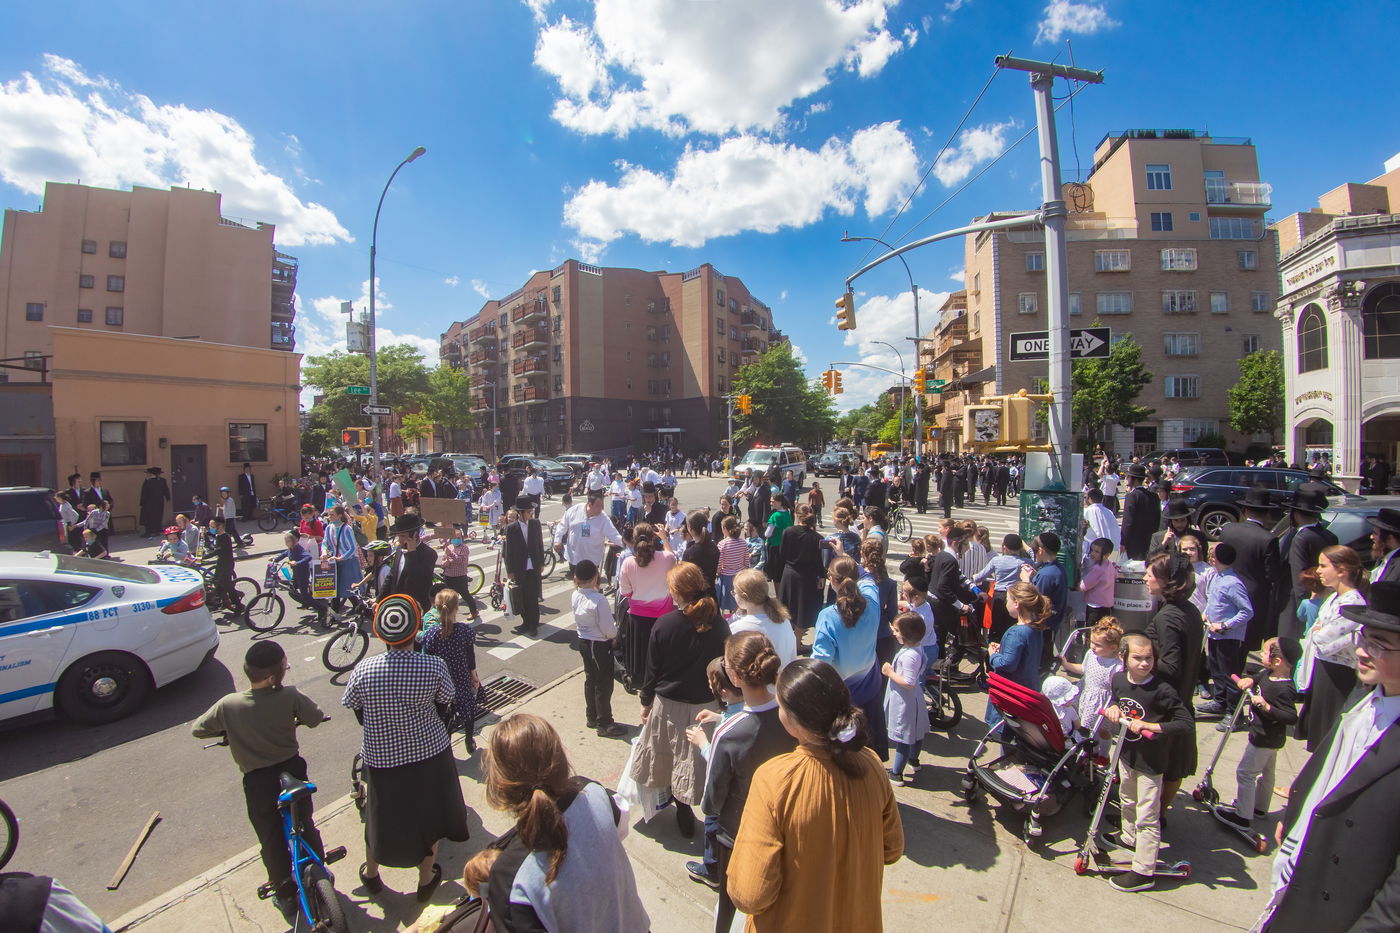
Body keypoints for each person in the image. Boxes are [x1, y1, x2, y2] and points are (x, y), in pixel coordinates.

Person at [1258, 581, 1400, 932]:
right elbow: (1331, 768)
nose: (1363, 652)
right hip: (1302, 875)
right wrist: (1297, 816)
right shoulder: (1362, 695)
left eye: (1380, 644)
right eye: (1364, 637)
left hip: (1343, 910)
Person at [727, 658, 903, 931]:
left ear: (794, 719)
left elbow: (749, 893)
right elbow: (892, 849)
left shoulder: (773, 779)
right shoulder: (871, 763)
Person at [460, 713, 649, 930]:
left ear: (499, 784)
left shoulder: (508, 878)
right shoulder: (593, 792)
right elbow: (618, 828)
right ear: (559, 759)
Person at [191, 641, 328, 922]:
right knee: (305, 821)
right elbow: (314, 718)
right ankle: (320, 869)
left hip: (258, 781)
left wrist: (230, 730)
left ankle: (285, 893)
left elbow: (199, 730)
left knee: (270, 838)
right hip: (292, 770)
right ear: (275, 675)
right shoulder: (290, 695)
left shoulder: (229, 705)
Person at [343, 598, 469, 901]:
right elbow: (444, 704)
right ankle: (426, 878)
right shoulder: (433, 666)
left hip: (381, 756)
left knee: (378, 815)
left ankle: (372, 874)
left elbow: (356, 709)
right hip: (429, 753)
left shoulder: (364, 669)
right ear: (416, 631)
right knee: (431, 815)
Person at [695, 631, 796, 930]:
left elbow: (711, 802)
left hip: (738, 833)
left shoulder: (731, 733)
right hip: (784, 824)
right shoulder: (789, 714)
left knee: (730, 903)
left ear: (735, 677)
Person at [631, 562, 730, 839]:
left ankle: (680, 808)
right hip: (704, 705)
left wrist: (645, 700)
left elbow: (652, 670)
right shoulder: (719, 624)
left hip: (670, 704)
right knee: (691, 762)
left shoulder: (665, 624)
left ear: (677, 592)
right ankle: (685, 808)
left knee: (667, 756)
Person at [1102, 633, 1194, 892]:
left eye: (1149, 658)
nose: (1144, 664)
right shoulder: (1119, 679)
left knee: (1148, 816)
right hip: (1127, 755)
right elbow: (1118, 702)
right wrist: (1114, 710)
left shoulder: (1162, 690)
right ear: (1123, 658)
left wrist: (1150, 725)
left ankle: (1144, 871)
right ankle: (1128, 838)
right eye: (1138, 658)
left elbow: (1185, 722)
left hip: (1151, 762)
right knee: (1127, 800)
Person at [1143, 550, 1205, 805]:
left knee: (1158, 768)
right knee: (1174, 767)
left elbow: (1171, 665)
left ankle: (1153, 817)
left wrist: (1138, 662)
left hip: (1165, 704)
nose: (1145, 578)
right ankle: (1162, 814)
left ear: (1166, 580)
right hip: (1183, 697)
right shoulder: (1189, 609)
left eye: (1150, 574)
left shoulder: (1168, 617)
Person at [812, 556, 886, 760]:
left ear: (832, 581)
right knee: (870, 752)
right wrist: (846, 556)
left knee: (846, 754)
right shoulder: (872, 601)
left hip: (842, 696)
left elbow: (821, 661)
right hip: (870, 686)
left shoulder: (828, 616)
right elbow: (868, 577)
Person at [1221, 638, 1299, 831]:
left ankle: (1242, 816)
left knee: (1245, 773)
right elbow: (1260, 677)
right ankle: (1259, 807)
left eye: (1264, 653)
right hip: (1267, 737)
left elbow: (1291, 717)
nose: (1261, 656)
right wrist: (1251, 679)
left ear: (1278, 660)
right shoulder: (1269, 673)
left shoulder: (1285, 688)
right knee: (1267, 773)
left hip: (1264, 738)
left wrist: (1267, 706)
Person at [1296, 545, 1368, 749]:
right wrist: (1318, 631)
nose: (1318, 571)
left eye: (1323, 565)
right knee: (1318, 733)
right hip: (1323, 669)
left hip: (1338, 676)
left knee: (1328, 736)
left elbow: (1322, 641)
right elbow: (1315, 633)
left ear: (1341, 570)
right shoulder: (1333, 598)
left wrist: (1318, 631)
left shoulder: (1353, 603)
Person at [1196, 541, 1254, 725]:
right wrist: (1206, 614)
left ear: (1217, 559)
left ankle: (1234, 713)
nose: (1210, 557)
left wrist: (1225, 625)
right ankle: (1220, 702)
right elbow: (1213, 600)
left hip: (1227, 636)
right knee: (1216, 670)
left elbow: (1247, 611)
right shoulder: (1216, 577)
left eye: (1213, 555)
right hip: (1213, 634)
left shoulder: (1232, 583)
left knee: (1230, 674)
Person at [1274, 486, 1337, 652]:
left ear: (1296, 514)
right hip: (1323, 595)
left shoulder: (1301, 538)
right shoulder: (1329, 535)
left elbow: (1298, 573)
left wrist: (1302, 604)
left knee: (1290, 643)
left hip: (1297, 599)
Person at [617, 523, 677, 688]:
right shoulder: (667, 558)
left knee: (642, 657)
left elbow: (626, 593)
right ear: (653, 538)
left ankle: (644, 685)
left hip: (638, 620)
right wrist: (664, 538)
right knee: (662, 657)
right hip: (664, 618)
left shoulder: (628, 563)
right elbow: (672, 558)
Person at [571, 559, 624, 738]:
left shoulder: (575, 595)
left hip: (584, 642)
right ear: (596, 577)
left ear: (576, 578)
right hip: (598, 644)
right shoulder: (599, 599)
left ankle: (591, 716)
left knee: (590, 680)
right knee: (603, 683)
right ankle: (605, 722)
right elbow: (608, 629)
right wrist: (614, 636)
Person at [420, 589, 482, 736]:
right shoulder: (464, 631)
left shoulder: (431, 633)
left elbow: (427, 658)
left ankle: (445, 738)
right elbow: (470, 658)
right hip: (461, 677)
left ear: (436, 607)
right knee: (468, 708)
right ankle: (469, 738)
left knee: (442, 714)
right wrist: (474, 676)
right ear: (457, 608)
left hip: (440, 680)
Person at [1059, 616, 1124, 752]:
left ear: (1113, 647)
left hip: (1102, 702)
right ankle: (1089, 753)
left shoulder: (1116, 665)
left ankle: (1103, 754)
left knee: (1103, 731)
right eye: (1092, 642)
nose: (1092, 647)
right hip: (1086, 695)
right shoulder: (1091, 654)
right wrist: (1066, 664)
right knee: (1085, 728)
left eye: (1098, 645)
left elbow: (1117, 687)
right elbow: (1084, 669)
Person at [882, 611, 930, 785]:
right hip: (914, 697)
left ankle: (896, 773)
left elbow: (908, 682)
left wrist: (890, 673)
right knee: (916, 732)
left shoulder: (910, 655)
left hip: (904, 700)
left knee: (903, 737)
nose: (894, 633)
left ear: (906, 635)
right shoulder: (916, 647)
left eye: (897, 630)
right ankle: (914, 760)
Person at [730, 568, 797, 669]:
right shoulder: (784, 621)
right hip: (783, 680)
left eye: (735, 592)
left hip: (756, 683)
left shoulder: (737, 628)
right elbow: (792, 657)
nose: (734, 595)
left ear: (744, 596)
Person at [988, 582, 1049, 694]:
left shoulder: (1016, 632)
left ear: (1016, 603)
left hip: (1012, 692)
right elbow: (1025, 652)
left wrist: (993, 655)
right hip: (1030, 687)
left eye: (1008, 600)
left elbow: (1007, 664)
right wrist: (1004, 648)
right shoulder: (1036, 626)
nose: (1006, 604)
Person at [555, 490, 625, 577]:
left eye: (602, 506)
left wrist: (629, 545)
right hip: (574, 557)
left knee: (591, 586)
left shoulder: (602, 518)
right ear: (590, 505)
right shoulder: (574, 511)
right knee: (578, 584)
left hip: (592, 559)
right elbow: (562, 526)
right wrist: (557, 540)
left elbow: (614, 535)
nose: (601, 509)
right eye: (598, 506)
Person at [777, 504, 823, 632]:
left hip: (789, 573)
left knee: (787, 608)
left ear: (796, 515)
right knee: (802, 611)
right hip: (807, 576)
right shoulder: (817, 537)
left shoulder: (788, 532)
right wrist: (822, 576)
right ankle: (797, 643)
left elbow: (782, 554)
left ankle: (788, 638)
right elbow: (819, 560)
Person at [504, 497, 546, 636]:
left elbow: (539, 544)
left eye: (531, 511)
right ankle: (525, 622)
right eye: (528, 511)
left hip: (533, 566)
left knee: (532, 597)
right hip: (519, 567)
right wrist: (510, 570)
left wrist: (541, 562)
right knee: (521, 596)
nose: (531, 514)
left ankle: (534, 624)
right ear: (520, 513)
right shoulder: (511, 528)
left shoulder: (535, 524)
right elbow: (508, 551)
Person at [437, 527, 485, 625]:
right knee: (448, 597)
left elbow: (461, 561)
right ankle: (449, 615)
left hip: (460, 576)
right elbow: (443, 561)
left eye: (458, 537)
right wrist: (445, 562)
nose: (456, 539)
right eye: (454, 537)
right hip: (448, 575)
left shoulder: (464, 548)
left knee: (465, 595)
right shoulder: (449, 547)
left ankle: (474, 611)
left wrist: (451, 555)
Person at [1119, 463, 1157, 561]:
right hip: (1150, 539)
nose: (1127, 480)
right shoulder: (1154, 496)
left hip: (1134, 540)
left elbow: (1128, 522)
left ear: (1134, 480)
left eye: (1128, 477)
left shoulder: (1132, 496)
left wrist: (1123, 542)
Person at [209, 516, 245, 614]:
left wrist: (204, 557)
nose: (210, 529)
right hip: (220, 563)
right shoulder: (219, 536)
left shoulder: (225, 537)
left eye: (212, 526)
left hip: (227, 564)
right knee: (216, 581)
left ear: (219, 527)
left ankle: (239, 606)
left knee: (228, 586)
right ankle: (221, 601)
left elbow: (218, 550)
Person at [1079, 537, 1118, 627]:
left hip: (1094, 606)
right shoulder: (1110, 566)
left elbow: (1083, 586)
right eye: (1092, 550)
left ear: (1106, 555)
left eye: (1097, 552)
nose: (1092, 553)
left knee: (1092, 630)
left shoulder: (1097, 569)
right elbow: (1116, 575)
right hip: (1107, 606)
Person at [716, 516, 750, 613]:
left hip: (727, 576)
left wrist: (718, 572)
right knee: (739, 600)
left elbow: (719, 562)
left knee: (728, 600)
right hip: (740, 575)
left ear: (725, 529)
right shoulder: (743, 542)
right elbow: (746, 559)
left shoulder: (722, 544)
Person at [1082, 487, 1119, 559]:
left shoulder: (1088, 511)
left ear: (1089, 498)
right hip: (1111, 549)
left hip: (1094, 551)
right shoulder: (1109, 512)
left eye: (1085, 497)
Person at [1368, 507, 1400, 584]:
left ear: (1390, 538)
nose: (1371, 537)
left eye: (1375, 533)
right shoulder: (1382, 558)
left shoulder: (1398, 565)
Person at [139, 466, 170, 538]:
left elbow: (144, 493)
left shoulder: (148, 481)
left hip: (148, 503)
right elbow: (166, 490)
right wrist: (168, 498)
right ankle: (156, 530)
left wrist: (142, 502)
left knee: (148, 517)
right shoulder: (162, 480)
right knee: (158, 516)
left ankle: (149, 532)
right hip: (159, 502)